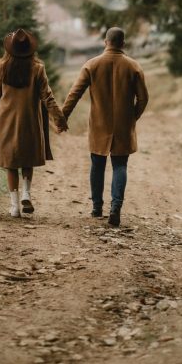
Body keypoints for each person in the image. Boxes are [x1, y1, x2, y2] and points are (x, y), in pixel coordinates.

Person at [62, 27, 148, 227]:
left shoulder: (91, 65)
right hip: (123, 126)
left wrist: (62, 118)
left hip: (99, 124)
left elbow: (74, 94)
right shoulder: (133, 66)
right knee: (120, 165)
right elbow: (143, 98)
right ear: (123, 44)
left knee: (97, 164)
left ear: (105, 42)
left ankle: (97, 208)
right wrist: (131, 118)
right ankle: (116, 208)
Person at [0, 29, 68, 217]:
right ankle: (26, 193)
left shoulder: (2, 67)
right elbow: (48, 97)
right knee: (27, 159)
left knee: (10, 163)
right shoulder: (38, 68)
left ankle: (14, 207)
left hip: (6, 121)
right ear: (30, 49)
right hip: (29, 120)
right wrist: (59, 119)